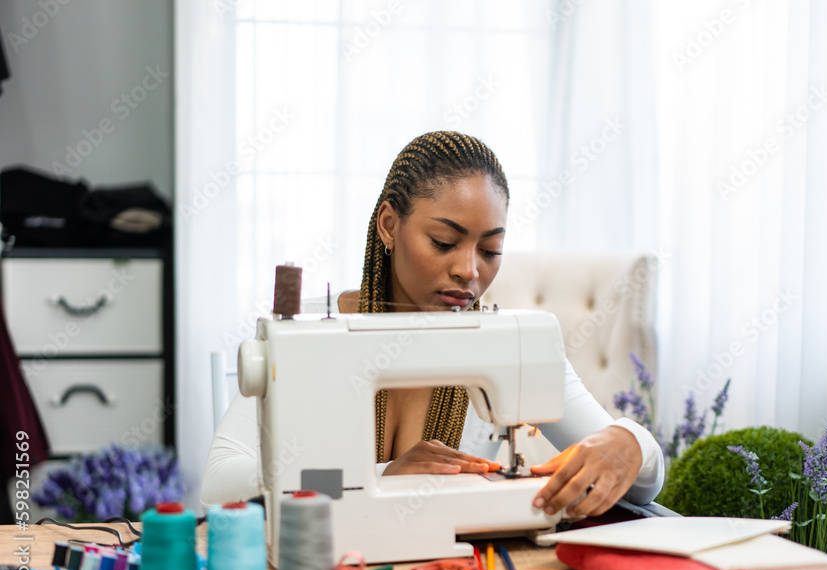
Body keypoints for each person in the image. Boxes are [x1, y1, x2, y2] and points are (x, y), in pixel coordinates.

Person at [201, 130, 664, 518]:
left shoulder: (511, 345)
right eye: (444, 242)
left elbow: (645, 486)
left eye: (490, 250)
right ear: (388, 224)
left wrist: (628, 445)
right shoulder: (305, 335)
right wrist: (382, 478)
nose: (469, 270)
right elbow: (219, 484)